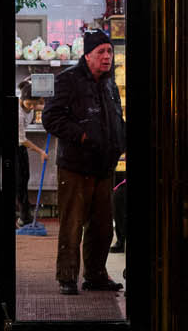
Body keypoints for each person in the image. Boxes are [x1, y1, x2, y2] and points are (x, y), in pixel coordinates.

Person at [41, 29, 126, 295]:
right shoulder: (68, 81)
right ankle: (67, 277)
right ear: (87, 55)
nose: (107, 56)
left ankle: (96, 275)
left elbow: (116, 118)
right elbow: (51, 118)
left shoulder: (109, 84)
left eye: (109, 51)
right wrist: (83, 135)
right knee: (72, 224)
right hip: (76, 166)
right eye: (101, 51)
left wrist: (120, 141)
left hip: (104, 166)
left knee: (102, 226)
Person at [16, 79, 48, 226]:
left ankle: (25, 216)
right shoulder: (18, 114)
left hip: (20, 146)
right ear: (22, 100)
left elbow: (41, 104)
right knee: (19, 182)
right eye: (29, 104)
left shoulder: (32, 103)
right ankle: (23, 216)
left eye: (34, 104)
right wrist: (40, 151)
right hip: (13, 146)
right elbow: (22, 139)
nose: (32, 107)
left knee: (24, 178)